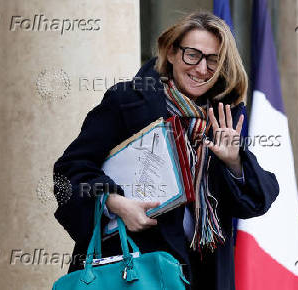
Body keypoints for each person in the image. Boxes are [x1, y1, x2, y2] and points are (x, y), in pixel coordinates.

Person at [53, 11, 279, 290]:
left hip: (203, 275)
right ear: (171, 53)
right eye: (192, 55)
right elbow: (69, 171)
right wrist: (114, 204)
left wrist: (233, 162)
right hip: (136, 269)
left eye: (213, 60)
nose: (201, 69)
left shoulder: (222, 119)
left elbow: (257, 200)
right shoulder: (127, 100)